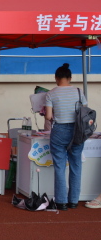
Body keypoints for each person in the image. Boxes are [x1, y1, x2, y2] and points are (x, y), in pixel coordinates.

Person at [45, 63, 87, 211]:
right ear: (70, 78)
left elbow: (48, 116)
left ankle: (61, 202)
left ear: (56, 78)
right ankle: (74, 201)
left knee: (60, 166)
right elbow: (84, 112)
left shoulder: (51, 93)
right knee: (76, 165)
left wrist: (51, 114)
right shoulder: (78, 91)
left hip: (60, 131)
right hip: (77, 131)